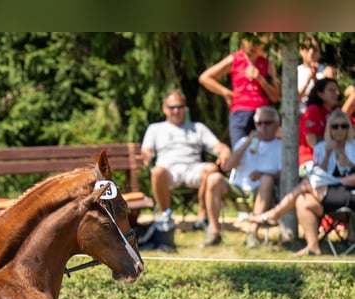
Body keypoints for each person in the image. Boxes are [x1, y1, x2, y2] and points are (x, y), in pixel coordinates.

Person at [249, 110, 355, 256]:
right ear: (329, 129)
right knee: (302, 200)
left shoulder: (353, 146)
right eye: (335, 126)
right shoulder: (321, 147)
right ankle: (313, 247)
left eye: (344, 126)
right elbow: (320, 172)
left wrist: (344, 168)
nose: (339, 130)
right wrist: (328, 153)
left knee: (307, 183)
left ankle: (275, 213)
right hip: (326, 194)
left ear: (349, 128)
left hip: (348, 194)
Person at [140, 89, 231, 241]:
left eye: (180, 107)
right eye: (172, 107)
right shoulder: (155, 129)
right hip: (168, 170)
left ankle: (201, 216)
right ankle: (166, 216)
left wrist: (224, 151)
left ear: (185, 108)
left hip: (193, 168)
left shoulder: (198, 127)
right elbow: (146, 150)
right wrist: (146, 156)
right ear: (164, 108)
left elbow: (218, 146)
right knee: (156, 172)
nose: (176, 110)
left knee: (211, 169)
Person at [201, 106, 282, 248]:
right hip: (238, 190)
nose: (262, 127)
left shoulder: (281, 146)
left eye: (267, 123)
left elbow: (283, 173)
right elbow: (226, 167)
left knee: (266, 180)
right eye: (259, 123)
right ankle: (214, 233)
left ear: (276, 125)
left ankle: (252, 233)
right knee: (213, 179)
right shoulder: (244, 141)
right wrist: (247, 142)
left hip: (263, 192)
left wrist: (264, 174)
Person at [199, 36, 280, 148]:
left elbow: (275, 96)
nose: (267, 45)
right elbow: (205, 78)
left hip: (262, 114)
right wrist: (225, 92)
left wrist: (260, 79)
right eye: (264, 42)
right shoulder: (236, 58)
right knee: (240, 152)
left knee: (263, 152)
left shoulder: (267, 64)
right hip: (240, 112)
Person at [298, 77, 354, 170]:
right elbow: (312, 141)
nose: (337, 93)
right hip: (311, 159)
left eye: (337, 90)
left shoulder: (335, 111)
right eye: (332, 90)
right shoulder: (313, 110)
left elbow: (351, 131)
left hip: (335, 157)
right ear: (320, 94)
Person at [297, 35, 335, 113]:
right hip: (301, 114)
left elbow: (330, 98)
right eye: (307, 49)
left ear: (319, 52)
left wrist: (315, 79)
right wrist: (308, 81)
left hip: (321, 114)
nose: (311, 52)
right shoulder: (296, 71)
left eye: (314, 49)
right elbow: (294, 99)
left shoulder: (326, 71)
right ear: (301, 50)